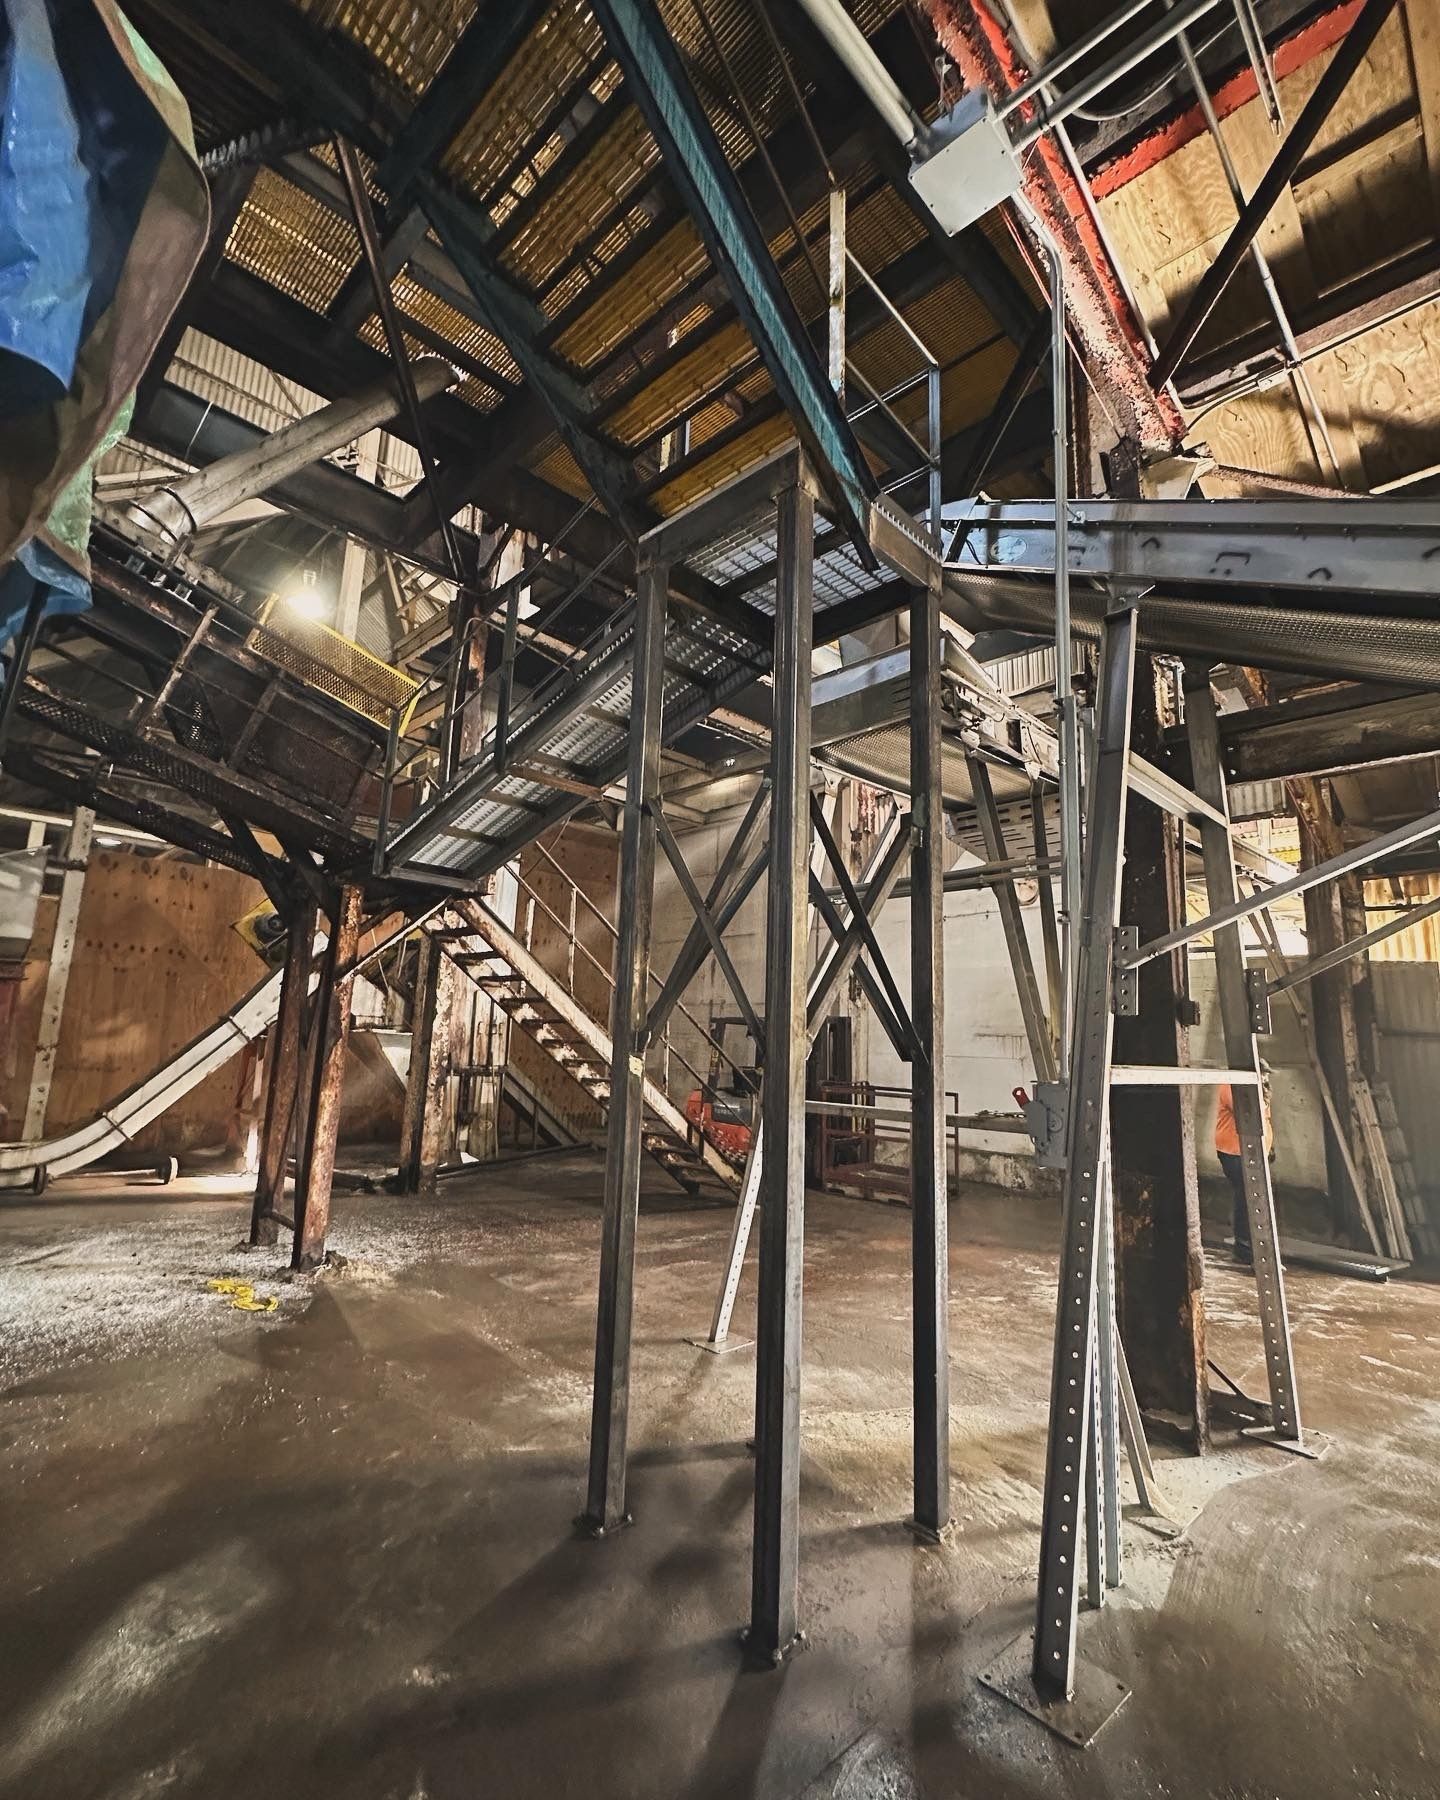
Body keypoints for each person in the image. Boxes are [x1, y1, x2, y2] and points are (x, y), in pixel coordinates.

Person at [1215, 1066, 1273, 1265]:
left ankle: (1247, 1244)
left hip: (1252, 1152)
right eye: (1263, 1074)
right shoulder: (1232, 1085)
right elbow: (1247, 1112)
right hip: (1233, 1151)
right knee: (1246, 1196)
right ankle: (1244, 1245)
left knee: (1248, 1196)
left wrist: (1269, 1149)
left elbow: (1265, 1119)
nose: (1265, 1078)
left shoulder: (1258, 1090)